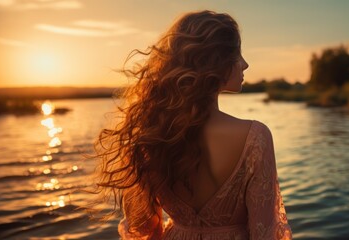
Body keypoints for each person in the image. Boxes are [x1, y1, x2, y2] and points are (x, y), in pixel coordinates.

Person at [93, 10, 292, 240]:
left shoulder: (152, 136)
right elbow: (263, 233)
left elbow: (146, 230)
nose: (245, 64)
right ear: (214, 61)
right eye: (236, 53)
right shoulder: (256, 137)